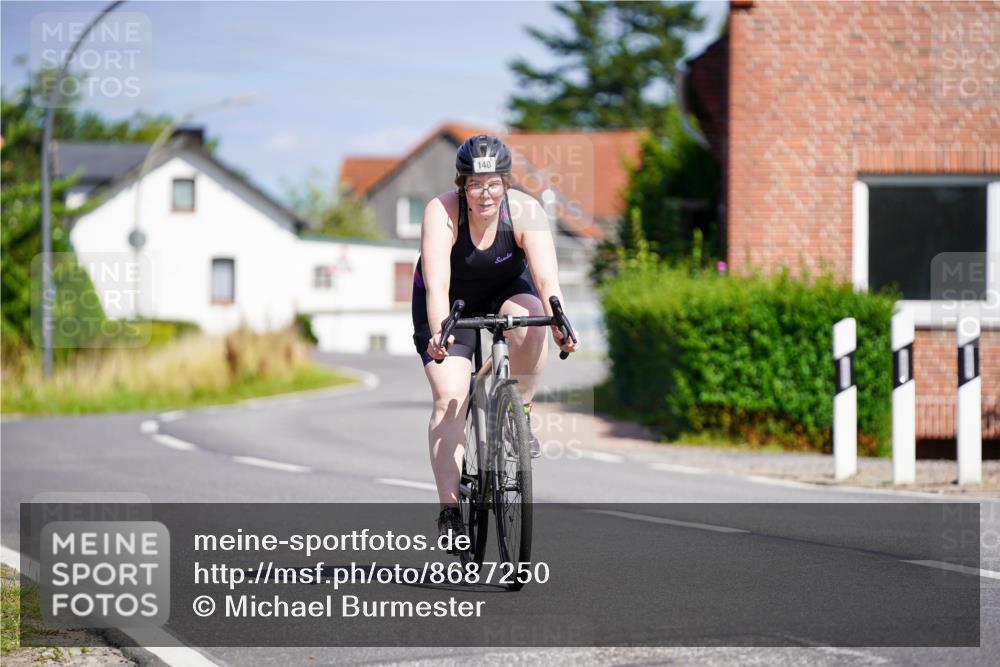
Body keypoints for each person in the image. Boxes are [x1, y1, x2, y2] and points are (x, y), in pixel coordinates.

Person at [411, 134, 579, 541]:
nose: (484, 193)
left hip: (506, 289)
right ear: (461, 184)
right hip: (450, 302)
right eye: (474, 184)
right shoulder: (442, 213)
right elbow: (437, 285)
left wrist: (560, 321)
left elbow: (546, 280)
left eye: (492, 184)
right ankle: (450, 510)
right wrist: (439, 335)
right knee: (450, 397)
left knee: (531, 315)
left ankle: (516, 415)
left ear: (505, 183)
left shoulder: (525, 211)